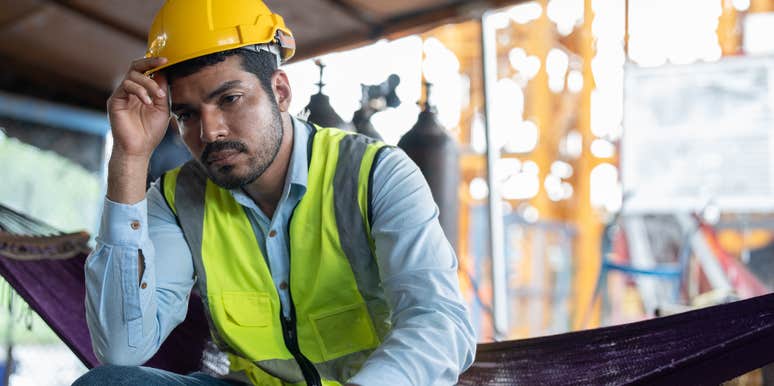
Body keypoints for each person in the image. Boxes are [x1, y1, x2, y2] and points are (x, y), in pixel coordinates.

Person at [73, 0, 476, 385]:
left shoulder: (376, 174)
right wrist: (129, 157)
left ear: (280, 92)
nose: (209, 132)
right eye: (187, 114)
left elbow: (439, 323)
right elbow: (122, 347)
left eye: (229, 99)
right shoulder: (178, 200)